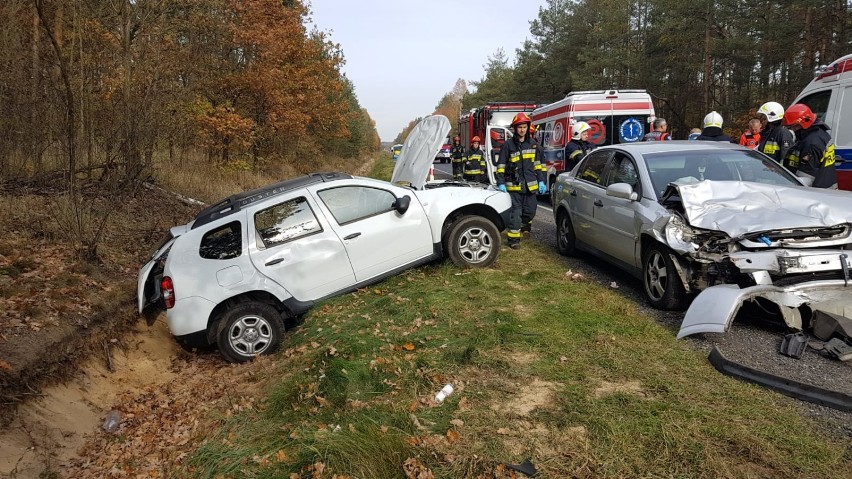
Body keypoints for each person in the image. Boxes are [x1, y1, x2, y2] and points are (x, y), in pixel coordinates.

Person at [496, 112, 546, 249]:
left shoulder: (533, 145)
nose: (522, 130)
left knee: (530, 212)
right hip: (514, 187)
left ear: (527, 127)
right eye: (519, 127)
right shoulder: (508, 145)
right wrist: (500, 183)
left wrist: (541, 181)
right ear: (515, 129)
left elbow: (538, 165)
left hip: (530, 186)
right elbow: (501, 166)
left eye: (524, 127)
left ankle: (519, 226)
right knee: (516, 213)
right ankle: (513, 240)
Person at [783, 103, 837, 188]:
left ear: (802, 123)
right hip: (827, 187)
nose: (792, 130)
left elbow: (806, 179)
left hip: (816, 192)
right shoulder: (821, 133)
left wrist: (787, 186)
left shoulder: (811, 143)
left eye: (793, 127)